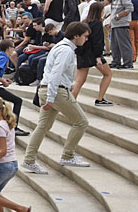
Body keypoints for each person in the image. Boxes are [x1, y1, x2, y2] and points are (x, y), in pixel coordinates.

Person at [22, 22, 92, 174]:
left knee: (42, 127)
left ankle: (29, 160)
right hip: (55, 91)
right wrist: (51, 97)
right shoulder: (66, 50)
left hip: (49, 89)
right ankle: (68, 155)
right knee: (81, 122)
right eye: (85, 37)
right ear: (76, 36)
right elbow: (56, 73)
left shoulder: (61, 47)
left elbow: (54, 72)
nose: (86, 40)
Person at [71, 1, 113, 105]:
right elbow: (97, 41)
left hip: (82, 53)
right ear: (100, 11)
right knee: (108, 74)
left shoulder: (85, 22)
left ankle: (71, 102)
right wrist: (98, 56)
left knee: (80, 80)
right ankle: (100, 98)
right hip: (93, 54)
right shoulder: (97, 23)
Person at [107, 0, 133, 69]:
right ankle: (116, 61)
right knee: (115, 44)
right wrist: (111, 21)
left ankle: (128, 63)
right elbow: (114, 10)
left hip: (122, 23)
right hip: (115, 23)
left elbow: (130, 8)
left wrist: (118, 16)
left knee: (124, 44)